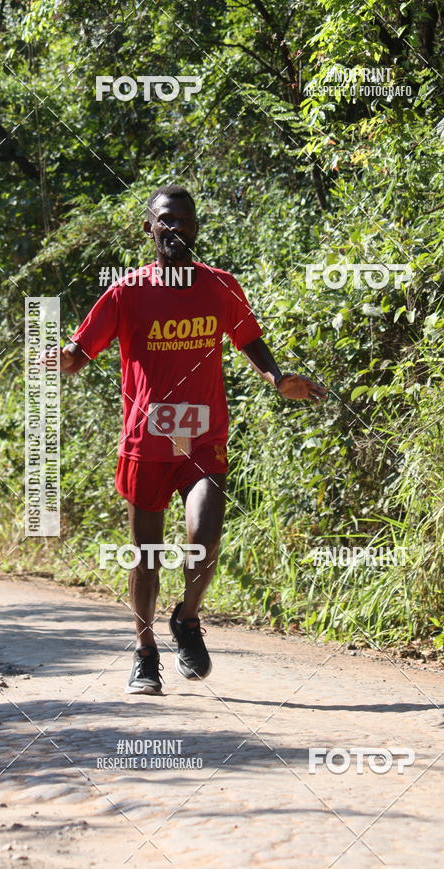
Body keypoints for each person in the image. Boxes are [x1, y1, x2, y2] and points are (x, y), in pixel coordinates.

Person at [53, 184, 326, 695]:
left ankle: (187, 617)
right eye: (164, 219)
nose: (174, 227)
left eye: (183, 219)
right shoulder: (126, 291)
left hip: (202, 439)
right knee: (146, 556)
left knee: (204, 539)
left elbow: (249, 339)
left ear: (195, 226)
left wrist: (276, 379)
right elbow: (80, 351)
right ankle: (145, 653)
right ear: (149, 228)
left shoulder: (220, 287)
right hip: (146, 443)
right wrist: (64, 359)